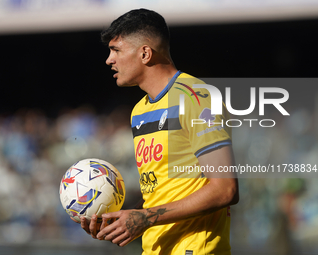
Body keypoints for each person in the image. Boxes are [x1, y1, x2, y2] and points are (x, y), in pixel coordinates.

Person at [77, 8, 239, 255]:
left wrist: (146, 217)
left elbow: (225, 189)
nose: (109, 59)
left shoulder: (197, 97)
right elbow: (159, 194)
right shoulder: (139, 111)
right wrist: (118, 219)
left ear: (145, 53)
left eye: (116, 50)